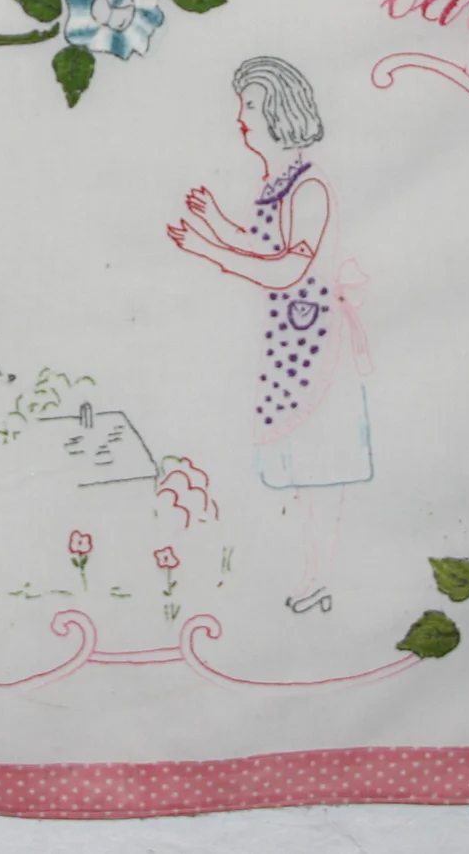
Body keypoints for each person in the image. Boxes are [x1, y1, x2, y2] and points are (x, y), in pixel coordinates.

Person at [167, 56, 373, 615]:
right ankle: (309, 571)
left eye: (252, 106)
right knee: (302, 469)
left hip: (315, 345)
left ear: (282, 112)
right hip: (289, 344)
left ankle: (320, 576)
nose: (242, 118)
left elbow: (287, 268)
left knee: (320, 466)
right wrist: (215, 225)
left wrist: (210, 249)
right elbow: (264, 246)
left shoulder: (309, 187)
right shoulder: (278, 183)